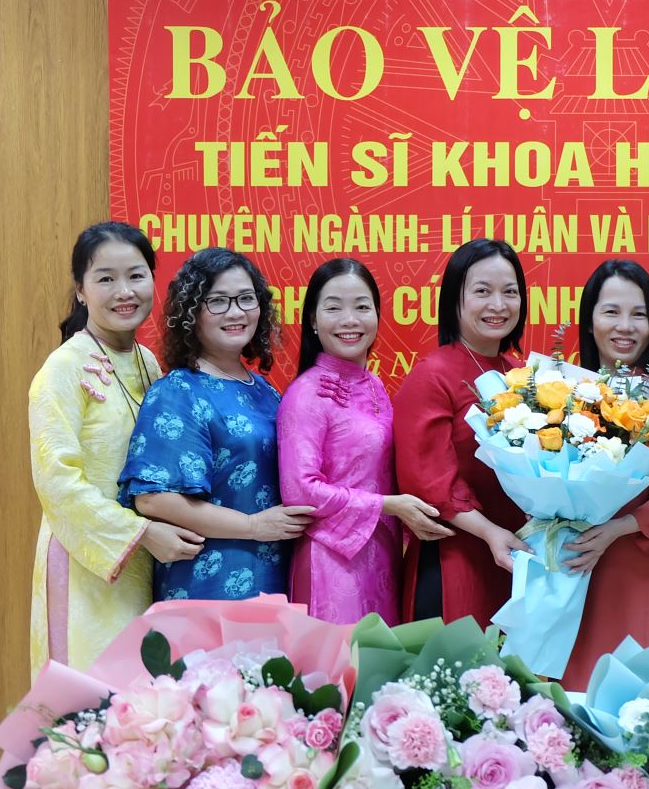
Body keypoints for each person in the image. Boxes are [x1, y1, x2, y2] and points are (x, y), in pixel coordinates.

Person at [27, 222, 203, 677]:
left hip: (150, 558)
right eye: (106, 278)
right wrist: (141, 534)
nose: (124, 291)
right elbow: (57, 482)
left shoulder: (147, 361)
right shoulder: (63, 369)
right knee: (92, 694)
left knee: (146, 697)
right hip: (90, 563)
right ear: (80, 291)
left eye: (136, 275)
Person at [118, 247, 311, 600]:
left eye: (246, 299)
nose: (236, 312)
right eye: (218, 301)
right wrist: (254, 525)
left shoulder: (265, 391)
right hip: (208, 585)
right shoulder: (178, 391)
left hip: (273, 576)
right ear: (192, 312)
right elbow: (154, 500)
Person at [277, 259, 449, 624]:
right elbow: (300, 491)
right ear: (312, 320)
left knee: (379, 659)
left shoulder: (373, 385)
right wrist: (389, 505)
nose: (349, 320)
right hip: (333, 560)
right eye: (333, 308)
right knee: (341, 659)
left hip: (382, 553)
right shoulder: (306, 393)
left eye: (361, 307)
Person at [556, 260, 649, 688]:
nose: (625, 326)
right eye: (611, 312)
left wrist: (618, 528)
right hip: (579, 563)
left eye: (638, 314)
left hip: (644, 563)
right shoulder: (561, 393)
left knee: (648, 694)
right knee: (579, 695)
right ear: (590, 321)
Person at [393, 239, 529, 624]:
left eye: (510, 292)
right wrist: (490, 533)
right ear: (456, 299)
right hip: (456, 556)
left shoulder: (523, 376)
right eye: (482, 291)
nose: (498, 304)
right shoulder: (432, 375)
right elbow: (428, 481)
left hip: (517, 556)